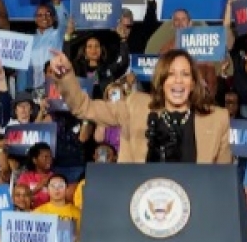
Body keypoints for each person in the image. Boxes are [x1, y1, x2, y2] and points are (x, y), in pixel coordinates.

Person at [46, 48, 232, 163]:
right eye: (171, 74)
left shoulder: (217, 119)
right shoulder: (135, 106)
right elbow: (83, 107)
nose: (178, 81)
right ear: (161, 80)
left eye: (185, 74)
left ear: (193, 83)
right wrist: (66, 76)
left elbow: (222, 178)